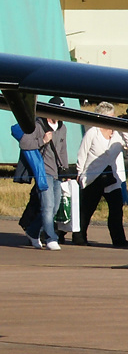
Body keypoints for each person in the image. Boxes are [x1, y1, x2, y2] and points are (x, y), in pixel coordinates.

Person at [18, 100, 69, 250]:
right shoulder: (38, 125)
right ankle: (51, 238)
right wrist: (43, 140)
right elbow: (24, 143)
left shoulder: (63, 128)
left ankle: (32, 232)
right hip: (43, 172)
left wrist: (66, 169)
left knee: (54, 208)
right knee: (47, 206)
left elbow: (63, 150)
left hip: (57, 173)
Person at [74, 103, 127, 247]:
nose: (113, 119)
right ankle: (79, 236)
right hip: (93, 176)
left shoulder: (118, 133)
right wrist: (79, 172)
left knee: (116, 209)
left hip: (112, 178)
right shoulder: (93, 132)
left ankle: (119, 240)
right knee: (87, 209)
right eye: (110, 117)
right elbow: (82, 153)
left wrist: (124, 130)